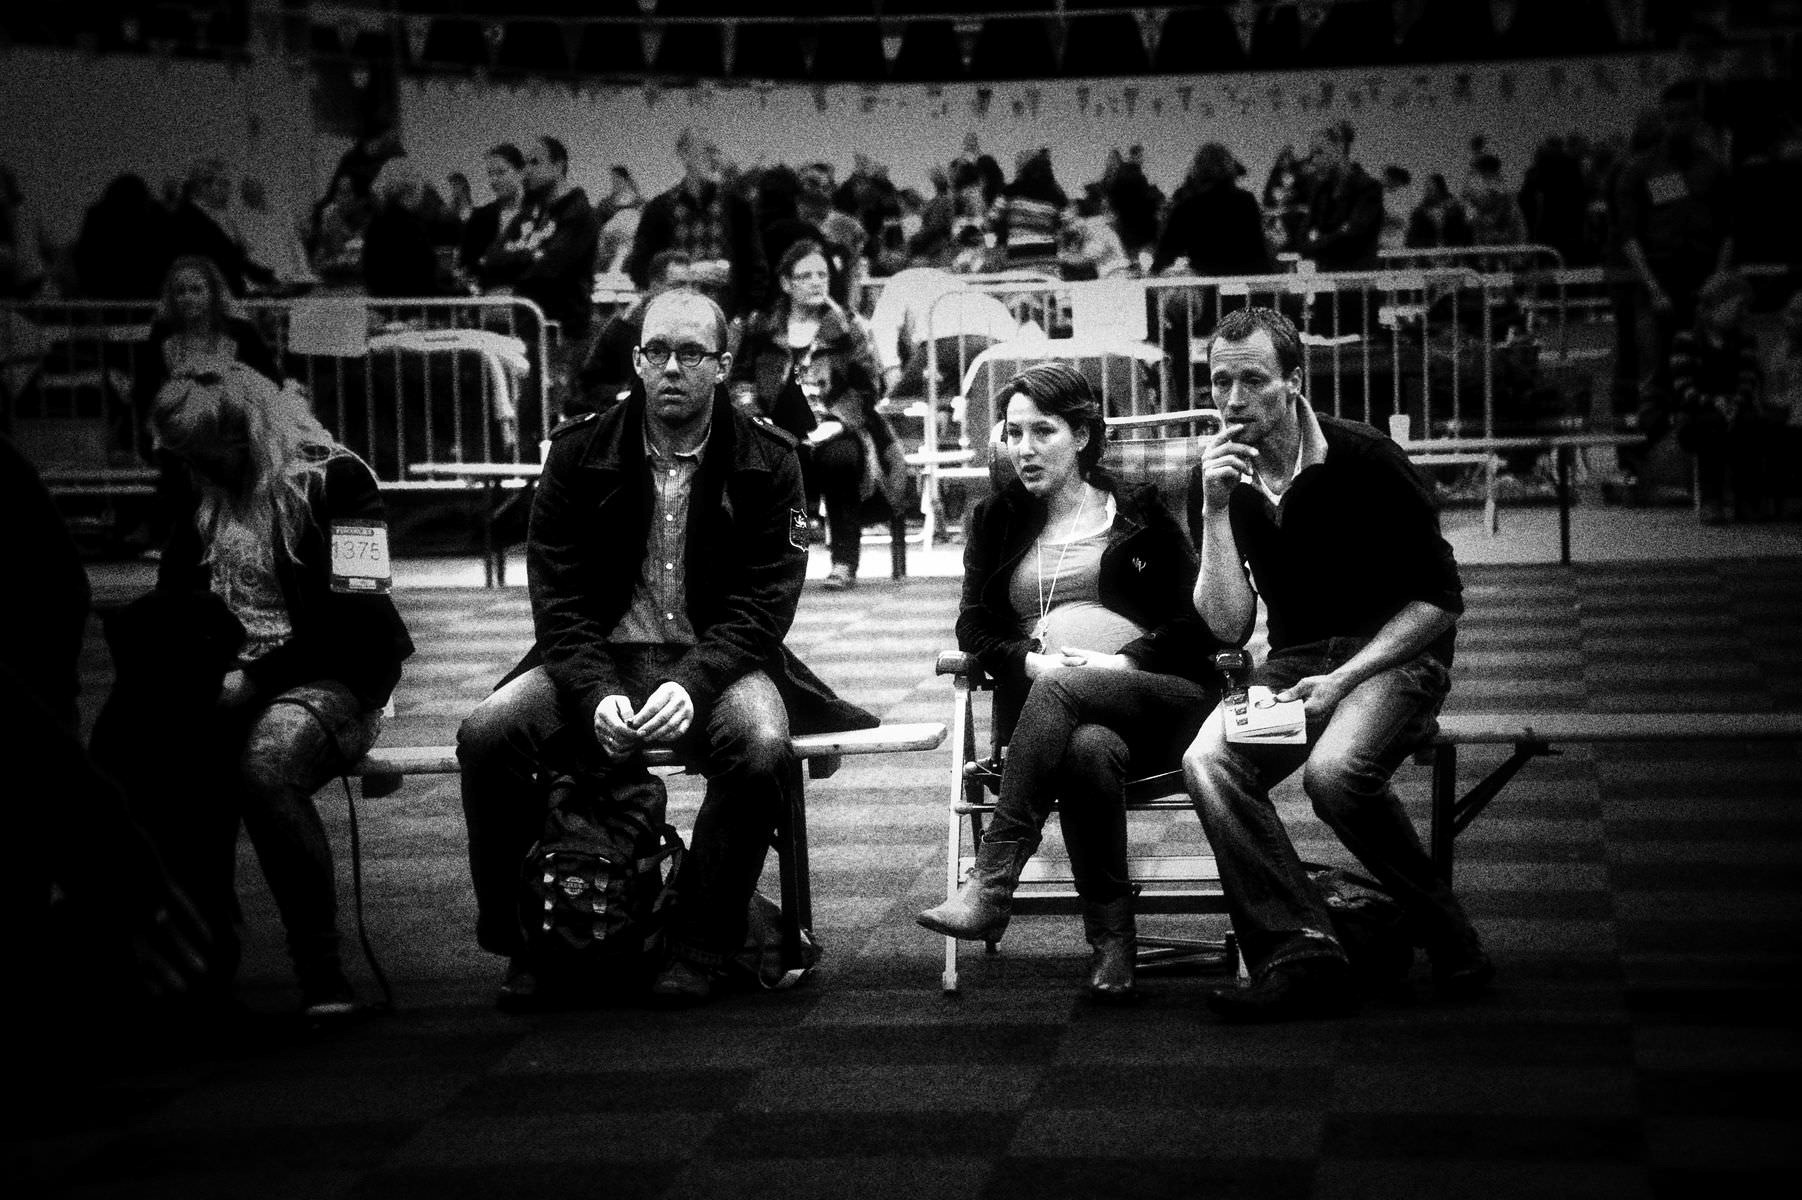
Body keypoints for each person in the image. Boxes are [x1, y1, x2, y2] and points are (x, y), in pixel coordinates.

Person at [456, 288, 877, 1010]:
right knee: (488, 733)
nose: (672, 367)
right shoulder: (576, 453)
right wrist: (595, 692)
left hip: (720, 661)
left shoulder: (772, 458)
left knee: (761, 746)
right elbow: (557, 599)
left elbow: (767, 601)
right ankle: (523, 939)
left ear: (722, 364)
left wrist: (696, 682)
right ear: (636, 361)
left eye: (690, 353)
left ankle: (700, 944)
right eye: (657, 351)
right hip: (596, 658)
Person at [1181, 307, 1491, 1022]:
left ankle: (1446, 929)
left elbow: (1440, 601)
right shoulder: (1225, 476)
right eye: (1220, 383)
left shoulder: (1365, 457)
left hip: (1394, 659)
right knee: (1208, 760)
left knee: (1334, 774)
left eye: (1252, 380)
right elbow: (1228, 624)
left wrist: (1346, 679)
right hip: (1295, 662)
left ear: (1294, 380)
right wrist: (1213, 509)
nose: (1232, 400)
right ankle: (1301, 951)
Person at [90, 363, 414, 1018]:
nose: (193, 468)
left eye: (203, 454)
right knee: (134, 754)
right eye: (184, 456)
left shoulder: (342, 480)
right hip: (230, 671)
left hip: (341, 673)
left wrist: (256, 679)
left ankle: (321, 971)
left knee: (265, 766)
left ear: (247, 437)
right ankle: (189, 958)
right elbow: (177, 599)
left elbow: (360, 620)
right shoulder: (203, 487)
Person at [915, 363, 1220, 1000]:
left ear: (1081, 436)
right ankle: (1113, 940)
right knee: (1086, 750)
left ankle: (992, 882)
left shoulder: (1140, 515)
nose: (1023, 448)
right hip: (1054, 730)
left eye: (1043, 431)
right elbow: (973, 625)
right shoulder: (996, 519)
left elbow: (1197, 624)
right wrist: (1028, 661)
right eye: (1013, 433)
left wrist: (1122, 663)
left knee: (1063, 687)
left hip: (1160, 702)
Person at [731, 240, 897, 591]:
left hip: (833, 428)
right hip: (775, 430)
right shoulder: (761, 327)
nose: (816, 282)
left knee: (841, 459)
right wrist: (757, 419)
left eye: (822, 275)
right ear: (786, 283)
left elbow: (869, 386)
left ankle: (843, 562)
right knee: (776, 468)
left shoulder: (849, 327)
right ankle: (788, 560)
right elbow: (741, 381)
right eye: (805, 276)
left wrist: (838, 422)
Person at [482, 136, 601, 419]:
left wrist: (519, 260)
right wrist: (531, 255)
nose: (527, 170)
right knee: (526, 413)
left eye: (535, 162)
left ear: (558, 166)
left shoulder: (579, 213)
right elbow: (491, 259)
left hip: (563, 330)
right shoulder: (531, 213)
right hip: (527, 327)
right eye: (526, 163)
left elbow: (550, 270)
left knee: (555, 416)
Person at [626, 127, 767, 320]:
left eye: (715, 151)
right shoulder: (659, 209)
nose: (713, 158)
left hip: (724, 318)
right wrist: (689, 272)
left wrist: (744, 316)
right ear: (684, 155)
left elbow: (756, 266)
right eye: (706, 150)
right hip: (675, 318)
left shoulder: (736, 206)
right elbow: (639, 268)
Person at [1670, 271, 1776, 523]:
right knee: (1711, 427)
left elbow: (1747, 380)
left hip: (1735, 405)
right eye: (1739, 306)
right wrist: (1714, 402)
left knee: (1749, 424)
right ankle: (1711, 500)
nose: (1743, 313)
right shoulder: (1686, 340)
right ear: (1719, 304)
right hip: (1697, 410)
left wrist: (1734, 404)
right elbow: (1683, 387)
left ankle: (1747, 498)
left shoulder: (1745, 340)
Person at [574, 248, 692, 414]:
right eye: (678, 285)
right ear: (655, 286)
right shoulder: (623, 328)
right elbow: (588, 386)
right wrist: (623, 395)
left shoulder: (698, 327)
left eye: (690, 285)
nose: (686, 293)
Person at [361, 159, 449, 299]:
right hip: (411, 306)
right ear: (413, 188)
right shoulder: (410, 226)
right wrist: (462, 293)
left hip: (385, 305)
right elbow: (420, 281)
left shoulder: (376, 224)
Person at [458, 144, 526, 290]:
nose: (494, 180)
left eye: (501, 172)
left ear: (521, 172)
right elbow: (466, 264)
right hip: (489, 295)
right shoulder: (480, 218)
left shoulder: (539, 213)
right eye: (490, 174)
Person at [1404, 173, 1474, 249]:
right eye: (1427, 188)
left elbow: (1462, 233)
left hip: (1453, 248)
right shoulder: (1420, 212)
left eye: (1431, 188)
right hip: (1428, 249)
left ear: (1440, 188)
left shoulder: (1454, 209)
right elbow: (1413, 238)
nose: (1428, 191)